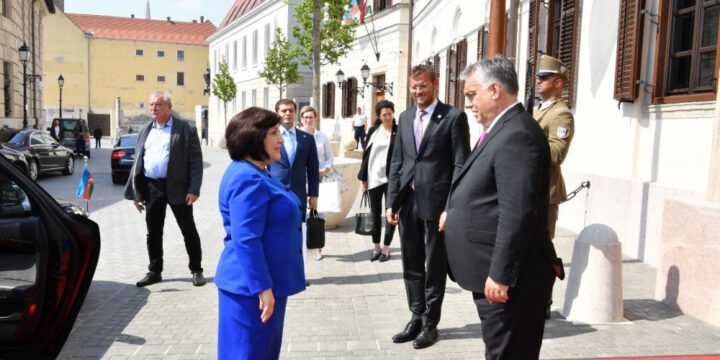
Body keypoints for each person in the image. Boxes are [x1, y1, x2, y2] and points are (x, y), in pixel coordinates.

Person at [440, 55, 555, 360]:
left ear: (494, 90)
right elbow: (489, 191)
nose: (468, 103)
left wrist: (502, 274)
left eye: (471, 94)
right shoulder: (501, 128)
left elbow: (517, 213)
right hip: (493, 274)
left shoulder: (517, 134)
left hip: (511, 282)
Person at [385, 64, 470, 349]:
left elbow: (461, 164)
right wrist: (391, 201)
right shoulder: (405, 116)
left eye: (422, 85)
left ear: (435, 84)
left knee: (434, 264)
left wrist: (451, 206)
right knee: (411, 261)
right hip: (407, 202)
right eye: (413, 86)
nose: (418, 91)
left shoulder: (454, 117)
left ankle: (431, 323)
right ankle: (416, 315)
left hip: (437, 204)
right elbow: (397, 162)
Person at [215, 107, 305, 360]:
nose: (281, 139)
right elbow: (246, 239)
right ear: (254, 138)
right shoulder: (248, 178)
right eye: (274, 133)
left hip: (264, 286)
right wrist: (263, 288)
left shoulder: (259, 172)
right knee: (247, 354)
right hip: (251, 291)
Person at [123, 91, 206, 287]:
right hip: (152, 188)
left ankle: (196, 270)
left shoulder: (185, 129)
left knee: (188, 230)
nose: (153, 108)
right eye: (151, 104)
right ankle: (154, 271)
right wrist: (137, 192)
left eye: (158, 104)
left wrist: (194, 189)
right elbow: (138, 163)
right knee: (153, 232)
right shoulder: (145, 130)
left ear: (169, 107)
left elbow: (196, 161)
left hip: (179, 188)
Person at [533, 54, 575, 318]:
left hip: (545, 193)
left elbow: (556, 153)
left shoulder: (561, 114)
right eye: (538, 76)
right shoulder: (539, 110)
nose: (539, 81)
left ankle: (544, 301)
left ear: (558, 82)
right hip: (531, 189)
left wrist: (525, 145)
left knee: (543, 246)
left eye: (545, 77)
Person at [268, 99, 319, 277]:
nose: (287, 114)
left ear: (295, 112)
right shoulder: (268, 137)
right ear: (277, 113)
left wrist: (314, 194)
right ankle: (277, 271)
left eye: (290, 110)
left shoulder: (307, 138)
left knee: (298, 235)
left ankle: (298, 273)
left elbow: (313, 169)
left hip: (298, 195)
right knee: (275, 233)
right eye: (283, 111)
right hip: (274, 194)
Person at [358, 100, 397, 262]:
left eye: (390, 113)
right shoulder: (373, 131)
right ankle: (376, 247)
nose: (388, 117)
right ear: (379, 116)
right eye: (384, 115)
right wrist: (363, 178)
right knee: (374, 214)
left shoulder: (399, 131)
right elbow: (366, 156)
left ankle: (386, 248)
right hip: (373, 179)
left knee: (391, 214)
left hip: (392, 180)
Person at [298, 105, 333, 261]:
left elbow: (329, 158)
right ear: (301, 119)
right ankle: (302, 246)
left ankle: (318, 248)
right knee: (301, 216)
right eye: (306, 117)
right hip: (300, 180)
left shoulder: (322, 137)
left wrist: (325, 169)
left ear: (315, 118)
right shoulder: (296, 136)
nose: (308, 120)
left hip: (318, 180)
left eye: (311, 117)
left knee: (317, 215)